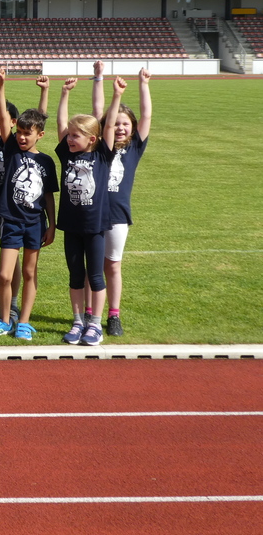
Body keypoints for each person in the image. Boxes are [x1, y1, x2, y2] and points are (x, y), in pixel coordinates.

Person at [0, 69, 58, 340]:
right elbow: (4, 118)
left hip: (36, 223)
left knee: (28, 272)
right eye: (20, 132)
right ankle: (4, 320)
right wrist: (0, 87)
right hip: (11, 220)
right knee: (4, 275)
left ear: (40, 135)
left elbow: (48, 196)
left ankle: (23, 322)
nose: (23, 137)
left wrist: (53, 225)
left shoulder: (46, 162)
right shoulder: (11, 149)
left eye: (28, 133)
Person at [56, 76, 122, 346]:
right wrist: (64, 94)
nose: (70, 139)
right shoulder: (67, 154)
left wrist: (116, 96)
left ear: (92, 139)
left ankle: (95, 324)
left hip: (95, 227)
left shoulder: (102, 155)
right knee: (74, 275)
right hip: (71, 225)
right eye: (70, 135)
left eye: (76, 136)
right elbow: (60, 125)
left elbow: (108, 125)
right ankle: (78, 321)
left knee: (95, 275)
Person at [91, 64, 152, 336]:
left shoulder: (135, 148)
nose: (120, 128)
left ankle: (113, 315)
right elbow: (98, 112)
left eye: (125, 124)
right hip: (94, 214)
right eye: (115, 123)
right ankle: (91, 315)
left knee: (113, 264)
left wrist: (143, 84)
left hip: (117, 216)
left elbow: (147, 115)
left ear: (133, 128)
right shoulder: (100, 147)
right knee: (92, 266)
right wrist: (99, 78)